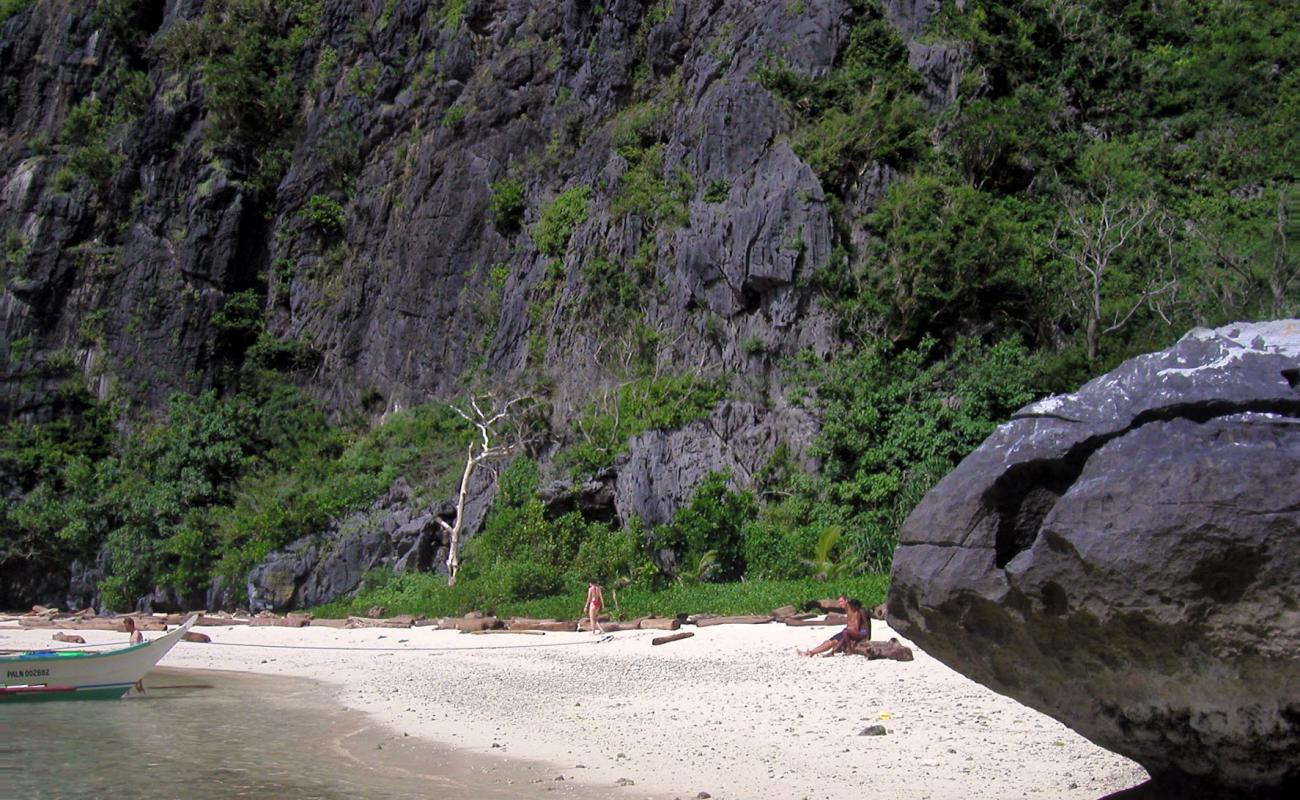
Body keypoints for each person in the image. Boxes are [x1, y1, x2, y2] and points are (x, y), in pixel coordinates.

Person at [797, 597, 870, 657]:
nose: (840, 604)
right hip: (847, 631)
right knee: (828, 641)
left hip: (852, 633)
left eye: (841, 602)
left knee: (832, 643)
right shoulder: (847, 609)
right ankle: (811, 652)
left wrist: (867, 637)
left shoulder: (857, 610)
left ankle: (811, 653)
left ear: (846, 601)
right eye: (839, 602)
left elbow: (864, 624)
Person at [124, 617, 146, 694]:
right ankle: (129, 696)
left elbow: (136, 647)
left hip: (137, 661)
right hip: (133, 661)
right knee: (130, 683)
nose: (125, 628)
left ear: (131, 625)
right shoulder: (132, 634)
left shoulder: (136, 633)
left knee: (137, 685)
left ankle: (143, 697)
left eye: (127, 626)